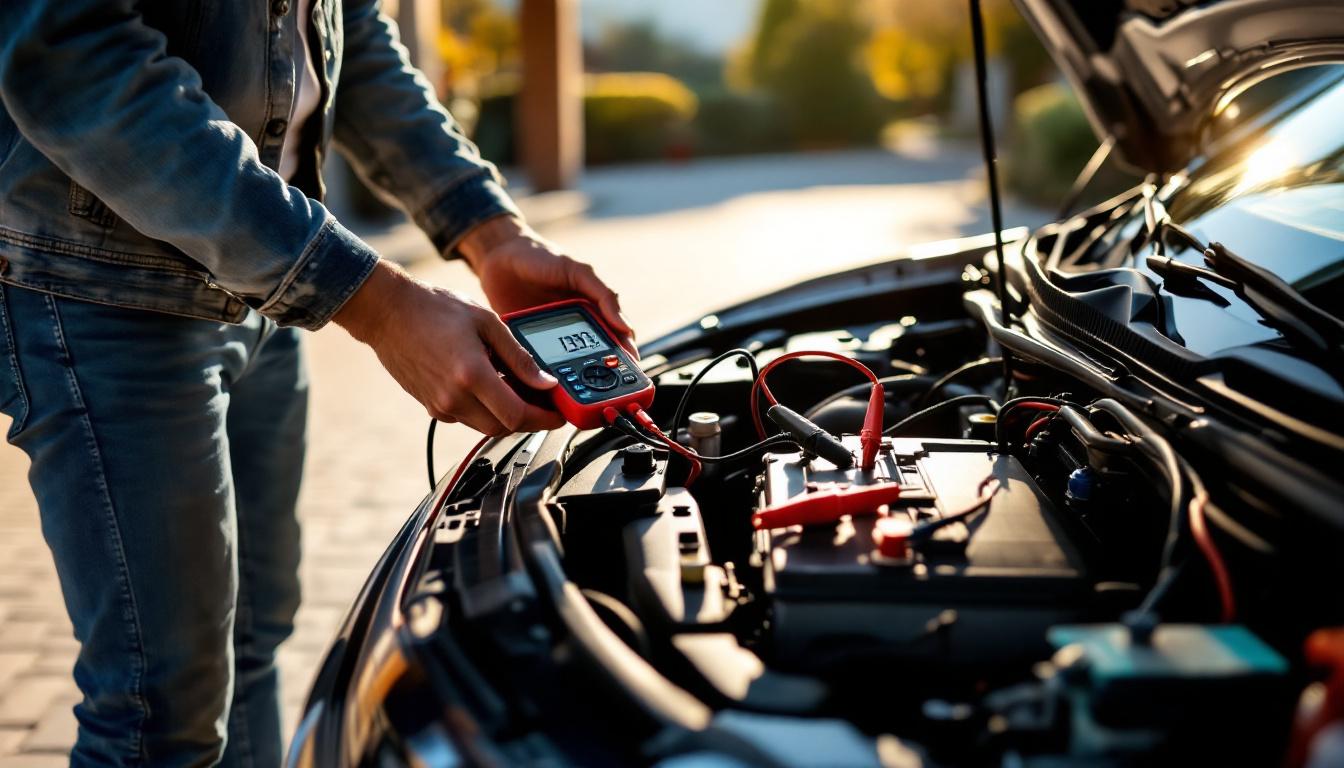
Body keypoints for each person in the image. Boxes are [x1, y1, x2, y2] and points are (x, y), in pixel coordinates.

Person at [0, 0, 632, 765]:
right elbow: (71, 56)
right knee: (159, 709)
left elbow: (352, 33)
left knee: (257, 637)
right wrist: (381, 306)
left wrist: (490, 233)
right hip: (105, 294)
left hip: (267, 279)